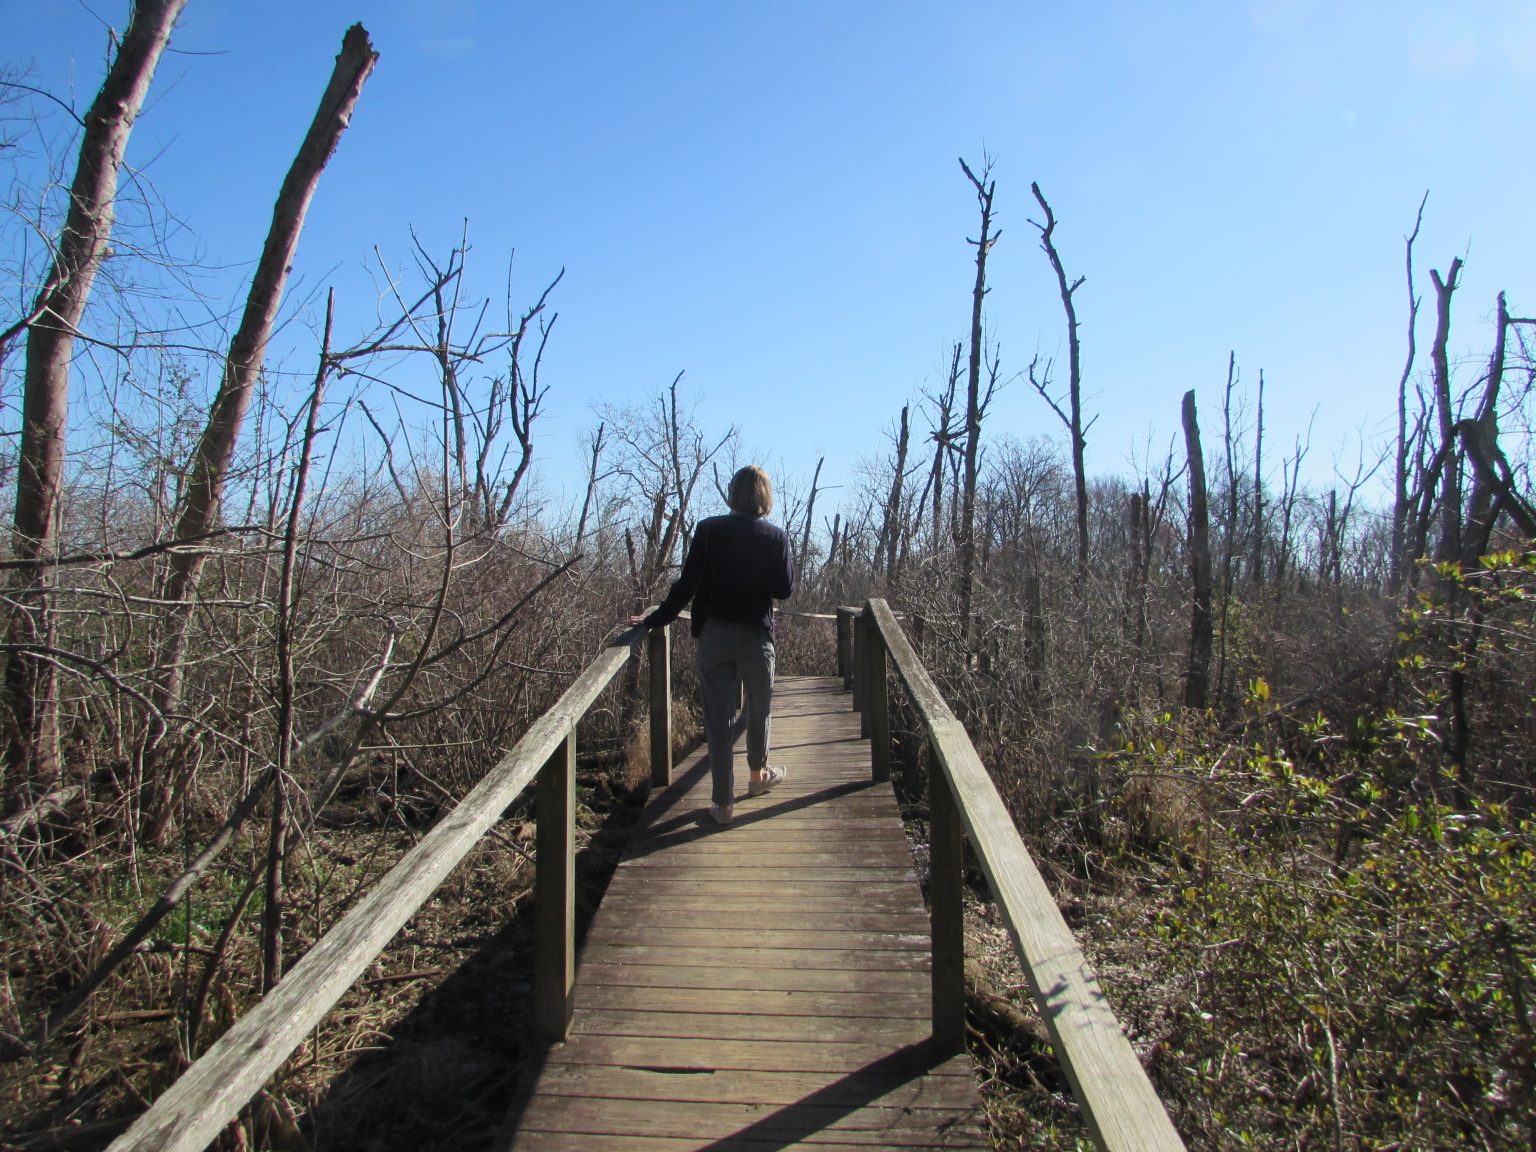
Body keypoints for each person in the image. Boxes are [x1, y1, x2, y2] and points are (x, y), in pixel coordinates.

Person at [632, 465, 796, 826]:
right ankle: (758, 777)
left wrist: (656, 618)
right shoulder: (776, 537)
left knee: (718, 719)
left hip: (716, 636)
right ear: (765, 496)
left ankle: (722, 804)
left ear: (732, 493)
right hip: (756, 635)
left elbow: (686, 584)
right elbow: (783, 589)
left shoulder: (709, 530)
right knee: (759, 708)